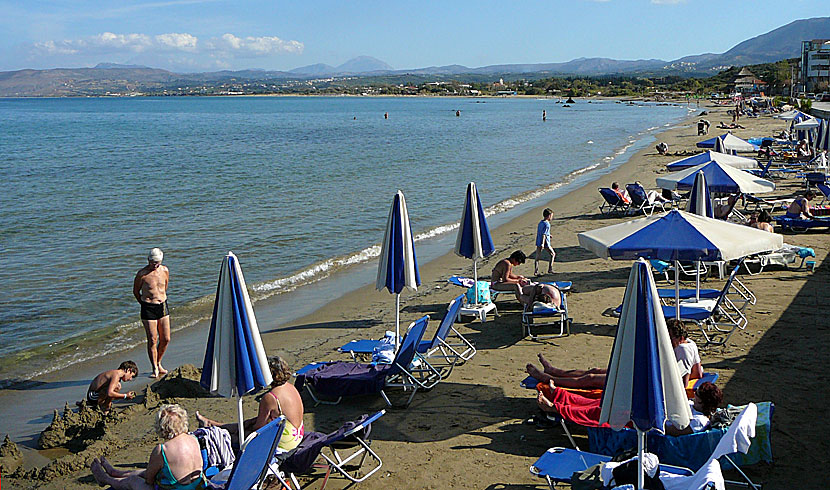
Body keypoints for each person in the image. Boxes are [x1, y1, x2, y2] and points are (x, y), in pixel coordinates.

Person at [526, 319, 700, 389]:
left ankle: (546, 378)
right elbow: (697, 373)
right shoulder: (690, 344)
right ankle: (554, 370)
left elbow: (677, 380)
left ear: (680, 336)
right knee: (594, 370)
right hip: (641, 374)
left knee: (591, 378)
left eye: (670, 338)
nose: (667, 341)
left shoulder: (683, 349)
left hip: (642, 382)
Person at [535, 380, 722, 435]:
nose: (694, 395)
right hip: (647, 411)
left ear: (704, 403)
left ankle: (555, 408)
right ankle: (560, 396)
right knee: (602, 402)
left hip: (645, 422)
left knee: (599, 412)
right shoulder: (694, 407)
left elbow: (671, 431)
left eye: (697, 395)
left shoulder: (699, 421)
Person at [196, 356, 304, 450]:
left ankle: (216, 431)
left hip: (285, 441)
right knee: (248, 424)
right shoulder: (290, 387)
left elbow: (259, 428)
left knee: (239, 435)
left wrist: (244, 429)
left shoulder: (270, 398)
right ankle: (212, 424)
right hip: (297, 434)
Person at [90, 404, 207, 490]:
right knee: (146, 471)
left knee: (133, 481)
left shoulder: (163, 449)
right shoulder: (193, 439)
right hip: (196, 486)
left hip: (177, 488)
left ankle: (106, 479)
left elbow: (149, 480)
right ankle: (115, 472)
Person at [134, 248, 171, 378]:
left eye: (157, 263)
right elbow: (136, 291)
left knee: (166, 338)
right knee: (153, 339)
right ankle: (154, 367)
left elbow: (165, 286)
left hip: (162, 305)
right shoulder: (142, 274)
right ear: (148, 260)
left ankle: (159, 361)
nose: (154, 265)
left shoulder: (164, 270)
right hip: (148, 307)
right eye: (152, 262)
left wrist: (160, 298)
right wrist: (144, 304)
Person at [534, 208, 556, 275]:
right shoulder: (547, 224)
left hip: (538, 241)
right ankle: (550, 269)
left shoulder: (541, 223)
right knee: (553, 254)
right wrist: (543, 244)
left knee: (537, 257)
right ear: (549, 216)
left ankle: (536, 271)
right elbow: (544, 234)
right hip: (545, 242)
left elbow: (543, 232)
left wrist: (549, 235)